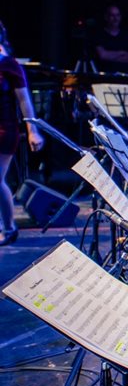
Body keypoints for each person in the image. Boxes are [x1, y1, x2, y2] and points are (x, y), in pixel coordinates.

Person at [0, 28, 44, 245]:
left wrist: (32, 130)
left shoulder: (8, 63)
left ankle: (8, 228)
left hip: (4, 129)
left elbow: (24, 101)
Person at [90, 5, 128, 73]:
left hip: (125, 76)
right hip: (105, 77)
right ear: (106, 17)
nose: (116, 19)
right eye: (112, 15)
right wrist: (122, 53)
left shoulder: (126, 35)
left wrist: (111, 56)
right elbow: (103, 55)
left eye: (118, 15)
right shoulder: (99, 35)